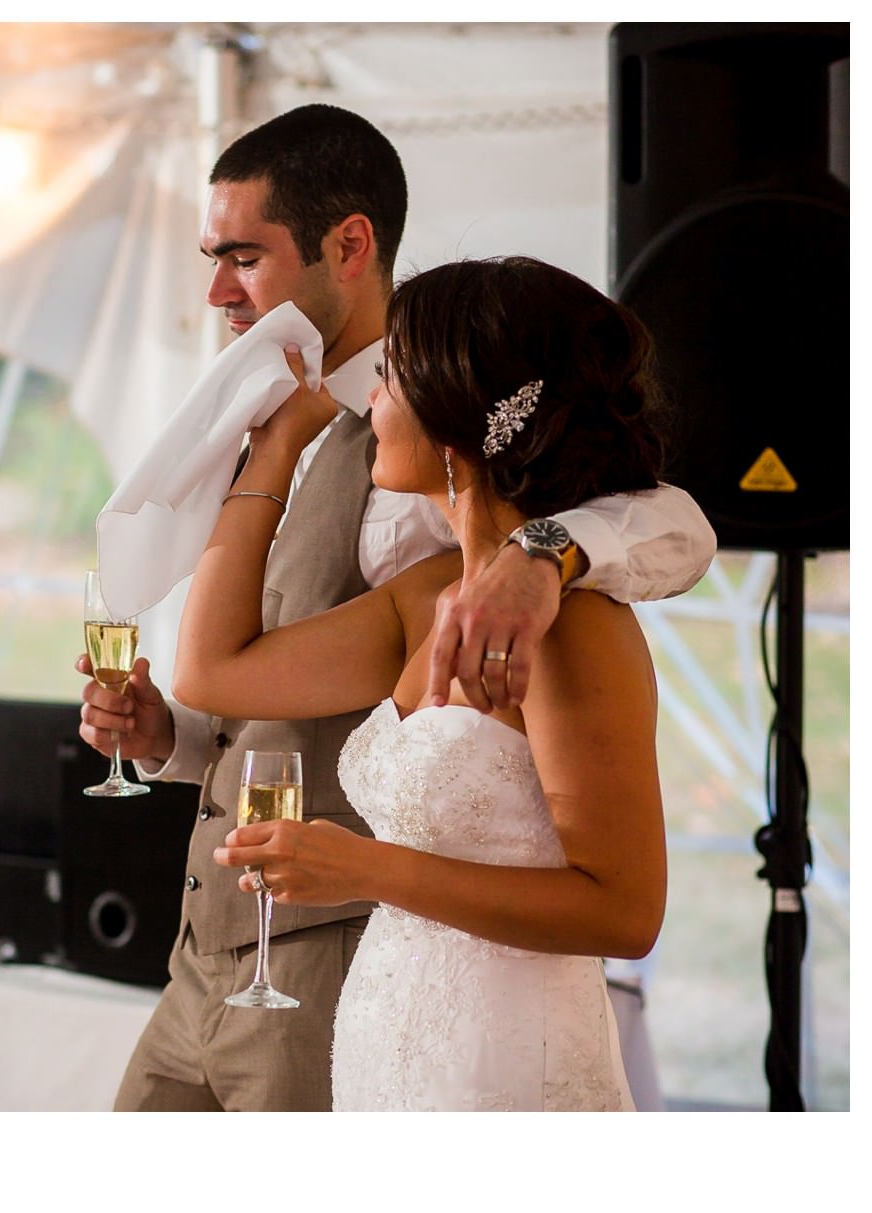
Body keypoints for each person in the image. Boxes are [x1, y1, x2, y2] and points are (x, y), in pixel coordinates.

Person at [77, 105, 714, 1112]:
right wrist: (171, 737)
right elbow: (227, 679)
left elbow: (673, 524)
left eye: (243, 256)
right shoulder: (261, 433)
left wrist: (544, 553)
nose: (215, 291)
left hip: (355, 972)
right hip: (222, 956)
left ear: (347, 244)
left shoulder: (466, 500)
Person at [180, 253, 669, 1110]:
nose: (370, 397)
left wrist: (367, 868)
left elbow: (625, 912)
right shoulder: (421, 596)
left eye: (392, 374)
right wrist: (274, 447)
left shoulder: (572, 628)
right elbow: (212, 669)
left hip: (505, 1063)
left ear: (458, 415)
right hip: (388, 1042)